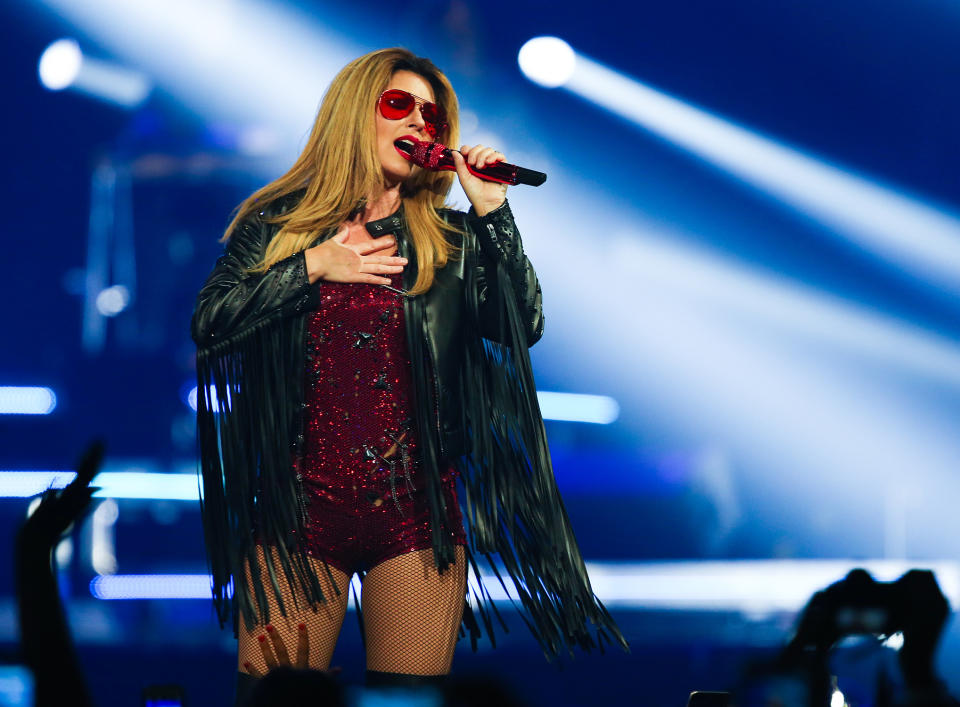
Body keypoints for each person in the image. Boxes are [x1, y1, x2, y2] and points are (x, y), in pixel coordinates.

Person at [190, 48, 626, 702]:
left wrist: (493, 214)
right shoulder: (278, 228)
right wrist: (311, 268)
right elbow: (211, 322)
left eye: (432, 115)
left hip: (416, 517)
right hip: (300, 507)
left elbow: (522, 322)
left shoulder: (446, 240)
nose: (420, 122)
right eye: (400, 105)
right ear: (354, 116)